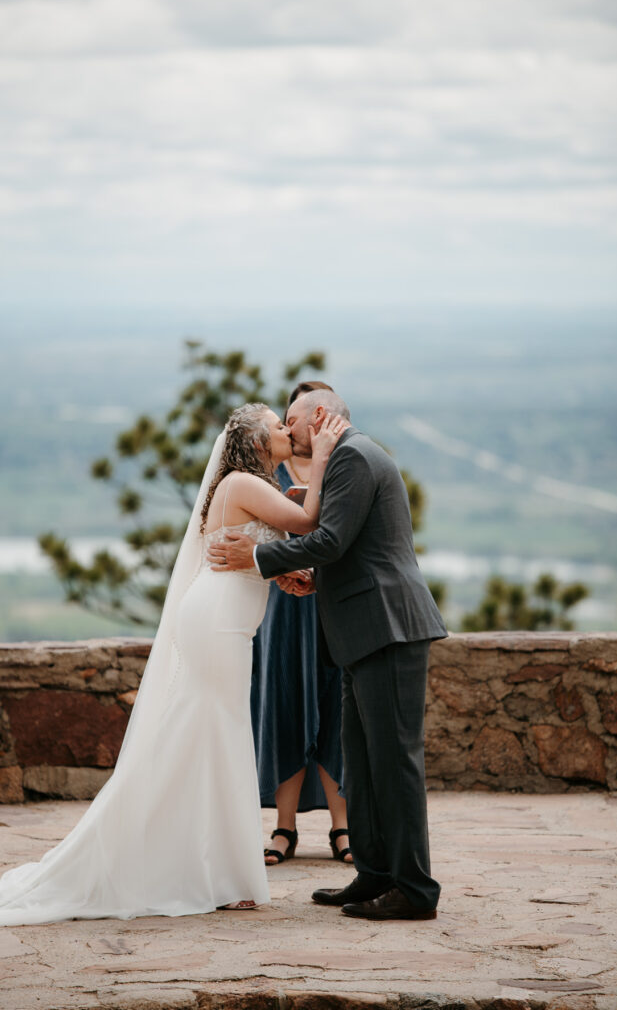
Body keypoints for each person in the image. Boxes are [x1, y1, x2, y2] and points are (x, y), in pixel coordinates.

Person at [0, 403, 347, 928]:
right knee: (211, 731)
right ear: (259, 443)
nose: (286, 432)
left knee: (213, 735)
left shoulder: (248, 487)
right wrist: (322, 456)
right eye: (278, 427)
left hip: (225, 622)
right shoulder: (242, 483)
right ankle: (205, 870)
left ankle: (215, 871)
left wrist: (280, 574)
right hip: (217, 623)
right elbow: (305, 520)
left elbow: (269, 542)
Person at [209, 390, 448, 921]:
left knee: (395, 764)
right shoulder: (344, 458)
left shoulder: (354, 458)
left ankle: (414, 889)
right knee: (361, 765)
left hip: (387, 628)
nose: (289, 433)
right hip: (360, 631)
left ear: (318, 416)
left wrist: (259, 556)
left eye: (291, 421)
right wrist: (310, 579)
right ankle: (374, 874)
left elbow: (333, 539)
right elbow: (353, 552)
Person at [252, 380, 352, 867]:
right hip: (285, 607)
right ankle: (283, 827)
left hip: (330, 601)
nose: (295, 426)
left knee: (336, 707)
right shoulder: (269, 476)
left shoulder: (345, 467)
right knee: (284, 704)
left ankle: (343, 827)